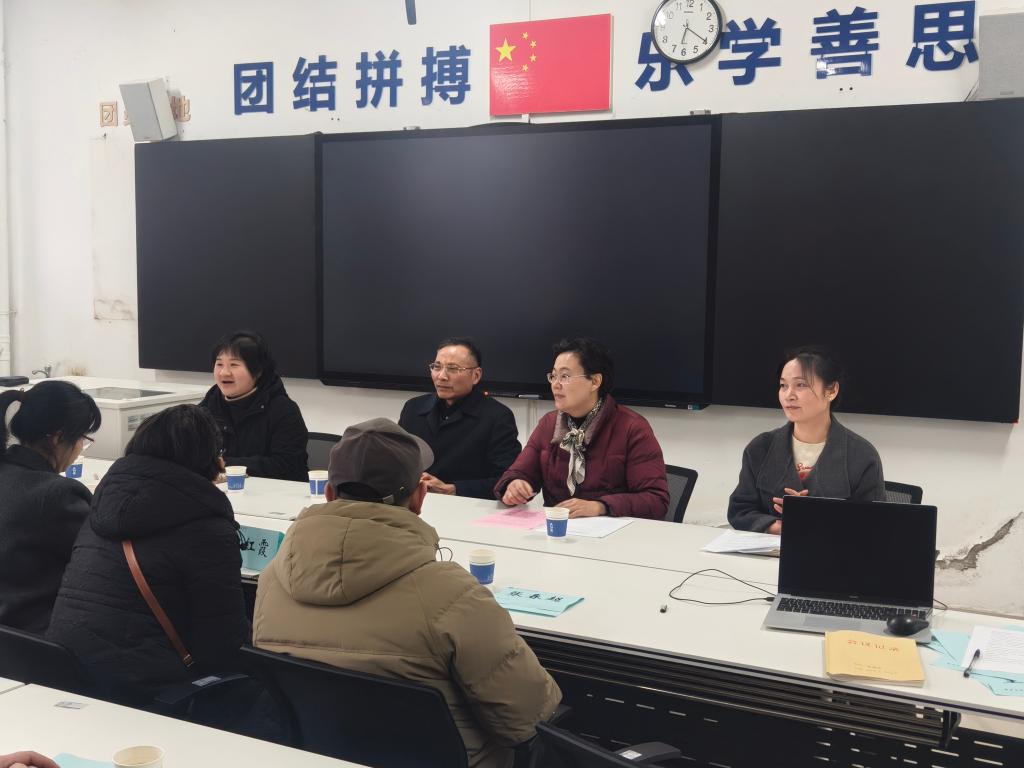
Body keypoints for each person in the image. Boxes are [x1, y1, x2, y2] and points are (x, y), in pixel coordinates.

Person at [254, 418, 561, 768]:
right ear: (419, 497)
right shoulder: (453, 595)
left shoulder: (271, 580)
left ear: (328, 493)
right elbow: (528, 717)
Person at [47, 405, 250, 704]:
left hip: (66, 672)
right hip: (148, 690)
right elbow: (222, 643)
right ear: (208, 459)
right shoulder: (207, 528)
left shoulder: (101, 507)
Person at [495, 338, 669, 520]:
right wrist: (514, 484)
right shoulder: (549, 424)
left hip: (612, 532)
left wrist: (600, 506)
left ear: (594, 381)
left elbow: (656, 501)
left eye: (565, 376)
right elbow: (518, 473)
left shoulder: (632, 428)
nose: (555, 384)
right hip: (558, 529)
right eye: (553, 376)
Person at [727, 346, 886, 533]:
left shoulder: (861, 455)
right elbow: (740, 510)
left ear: (831, 390)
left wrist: (813, 520)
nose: (789, 395)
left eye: (801, 385)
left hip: (832, 550)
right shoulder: (761, 447)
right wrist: (779, 527)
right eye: (783, 385)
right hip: (769, 549)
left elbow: (874, 524)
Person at [0, 381, 100, 632]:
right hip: (32, 635)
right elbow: (101, 558)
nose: (80, 447)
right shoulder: (58, 495)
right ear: (57, 438)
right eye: (82, 438)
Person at [398, 337, 521, 499]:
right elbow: (396, 462)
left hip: (467, 506)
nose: (441, 376)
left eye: (453, 369)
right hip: (414, 503)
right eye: (437, 367)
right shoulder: (413, 408)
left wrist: (453, 489)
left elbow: (507, 481)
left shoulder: (497, 416)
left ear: (476, 375)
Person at [199, 330, 308, 481]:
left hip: (275, 491)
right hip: (221, 489)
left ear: (257, 371)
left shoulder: (283, 410)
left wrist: (225, 464)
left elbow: (286, 465)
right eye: (219, 364)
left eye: (234, 365)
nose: (224, 372)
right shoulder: (208, 407)